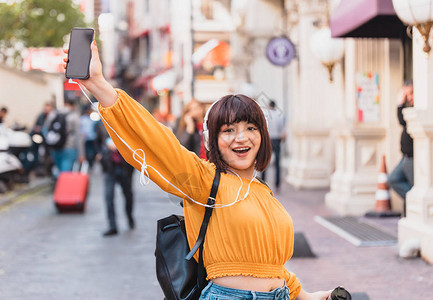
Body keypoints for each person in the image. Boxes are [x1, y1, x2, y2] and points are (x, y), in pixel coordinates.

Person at [65, 41, 332, 300]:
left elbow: (269, 264)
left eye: (251, 128)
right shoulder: (203, 180)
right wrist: (98, 85)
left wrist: (306, 295)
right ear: (213, 140)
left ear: (262, 136)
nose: (242, 138)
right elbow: (156, 139)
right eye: (229, 130)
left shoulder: (263, 192)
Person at [96, 122, 135, 237]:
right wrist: (100, 154)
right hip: (109, 166)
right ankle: (112, 225)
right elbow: (97, 141)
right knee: (109, 197)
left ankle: (129, 217)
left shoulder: (124, 121)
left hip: (125, 166)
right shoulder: (100, 124)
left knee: (128, 195)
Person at [387, 80, 414, 217]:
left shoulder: (416, 109)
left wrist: (400, 104)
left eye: (411, 93)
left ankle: (414, 204)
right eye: (406, 94)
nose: (409, 97)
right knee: (393, 179)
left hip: (412, 158)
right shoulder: (409, 108)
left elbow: (402, 121)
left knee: (414, 187)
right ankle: (413, 201)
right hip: (405, 157)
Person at [44, 99, 85, 178]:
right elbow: (78, 136)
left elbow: (45, 129)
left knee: (58, 169)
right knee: (65, 172)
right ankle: (63, 188)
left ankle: (57, 184)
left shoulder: (53, 114)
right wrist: (81, 154)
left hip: (55, 146)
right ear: (73, 106)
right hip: (69, 147)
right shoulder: (74, 116)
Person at [261, 100, 286, 192]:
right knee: (277, 163)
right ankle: (277, 184)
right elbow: (283, 131)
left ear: (268, 105)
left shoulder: (266, 115)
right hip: (277, 140)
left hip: (267, 139)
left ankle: (263, 183)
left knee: (265, 162)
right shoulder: (280, 116)